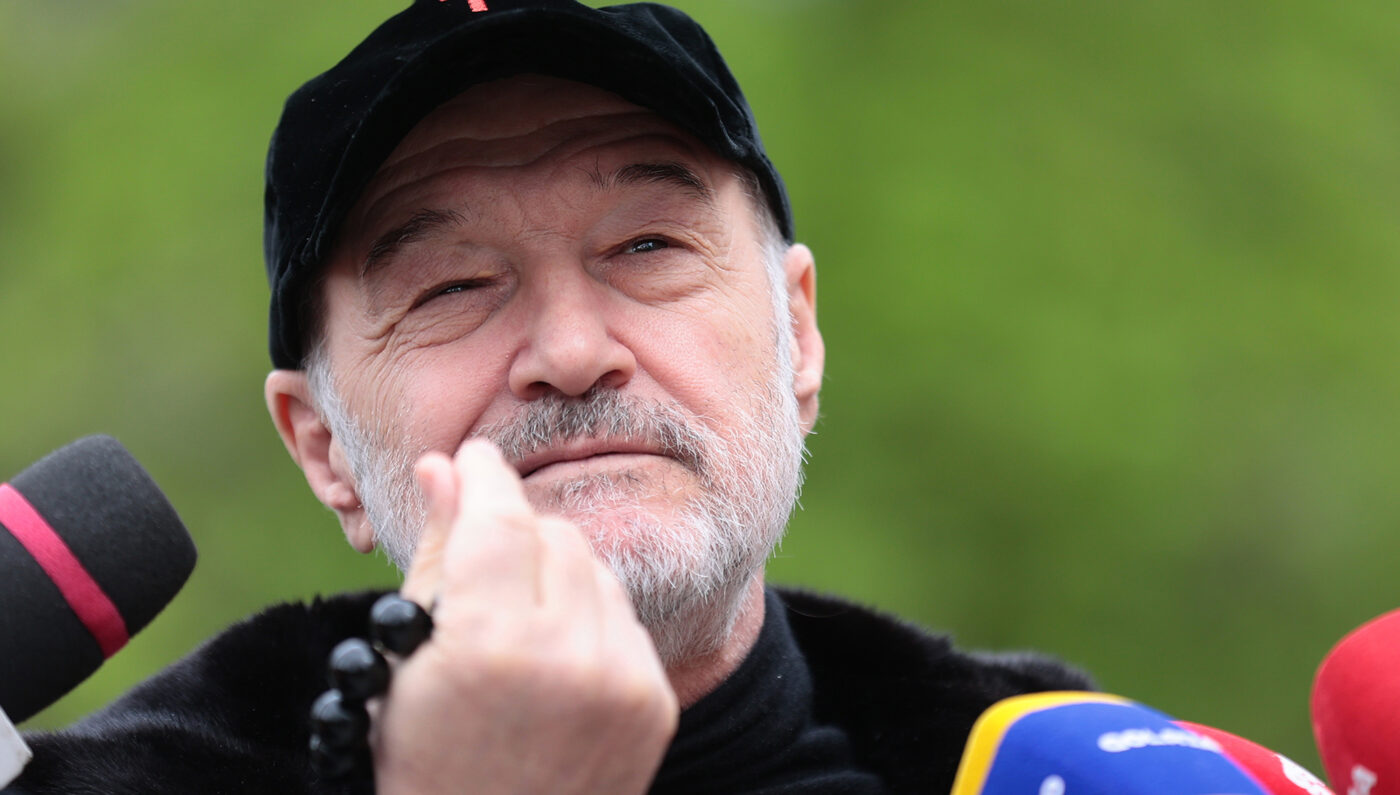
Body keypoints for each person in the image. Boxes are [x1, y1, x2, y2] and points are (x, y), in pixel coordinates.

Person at [10, 1, 1090, 792]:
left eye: (648, 246)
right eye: (451, 287)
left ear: (797, 338)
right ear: (324, 447)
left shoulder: (1078, 766)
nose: (572, 352)